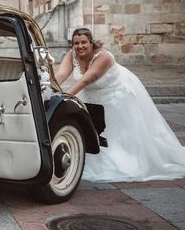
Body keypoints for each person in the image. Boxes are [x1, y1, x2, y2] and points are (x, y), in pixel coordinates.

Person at [55, 27, 185, 182]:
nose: (80, 46)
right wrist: (48, 90)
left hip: (117, 93)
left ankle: (130, 158)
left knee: (120, 132)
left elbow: (86, 80)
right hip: (93, 95)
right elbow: (61, 74)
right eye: (76, 43)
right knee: (95, 128)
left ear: (91, 43)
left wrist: (62, 99)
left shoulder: (103, 57)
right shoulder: (72, 55)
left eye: (84, 42)